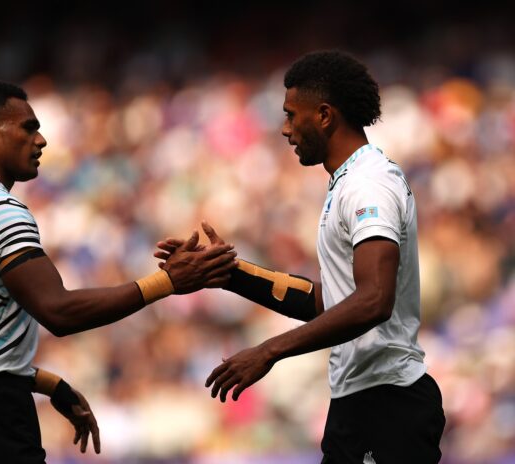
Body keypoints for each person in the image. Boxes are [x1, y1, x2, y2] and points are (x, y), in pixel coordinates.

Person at [0, 79, 237, 463]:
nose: (41, 141)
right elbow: (58, 310)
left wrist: (50, 384)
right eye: (28, 127)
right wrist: (167, 282)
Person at [156, 51, 445, 463]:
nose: (285, 129)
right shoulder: (347, 183)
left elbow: (375, 300)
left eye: (292, 115)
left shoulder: (368, 185)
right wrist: (229, 274)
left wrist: (269, 350)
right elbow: (330, 303)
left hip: (388, 405)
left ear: (324, 115)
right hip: (359, 401)